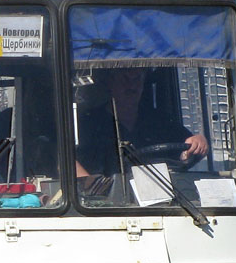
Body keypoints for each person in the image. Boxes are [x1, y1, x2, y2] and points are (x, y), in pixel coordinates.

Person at [75, 67, 207, 179]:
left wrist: (197, 142)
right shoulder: (88, 124)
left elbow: (184, 150)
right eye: (125, 80)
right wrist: (93, 192)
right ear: (110, 83)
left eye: (137, 79)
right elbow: (67, 163)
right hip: (109, 205)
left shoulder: (159, 120)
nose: (132, 86)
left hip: (160, 201)